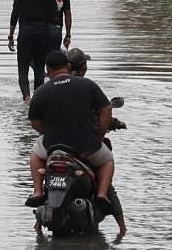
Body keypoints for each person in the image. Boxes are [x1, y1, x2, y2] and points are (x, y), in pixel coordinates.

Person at [25, 51, 116, 214]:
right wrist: (100, 135)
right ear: (68, 66)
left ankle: (38, 191)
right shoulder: (87, 85)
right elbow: (106, 109)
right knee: (107, 160)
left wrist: (50, 130)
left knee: (35, 154)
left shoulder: (41, 91)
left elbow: (35, 123)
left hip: (53, 147)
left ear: (47, 70)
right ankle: (102, 194)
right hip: (86, 146)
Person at [66, 47, 126, 237]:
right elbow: (102, 112)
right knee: (107, 173)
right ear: (83, 67)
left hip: (58, 144)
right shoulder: (88, 87)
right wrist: (106, 130)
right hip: (85, 147)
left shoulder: (54, 86)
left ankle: (37, 224)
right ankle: (122, 228)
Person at [8, 0, 59, 102]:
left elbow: (15, 13)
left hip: (25, 32)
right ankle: (38, 98)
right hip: (43, 33)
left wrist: (11, 35)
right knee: (39, 69)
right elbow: (54, 14)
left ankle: (26, 98)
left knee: (23, 69)